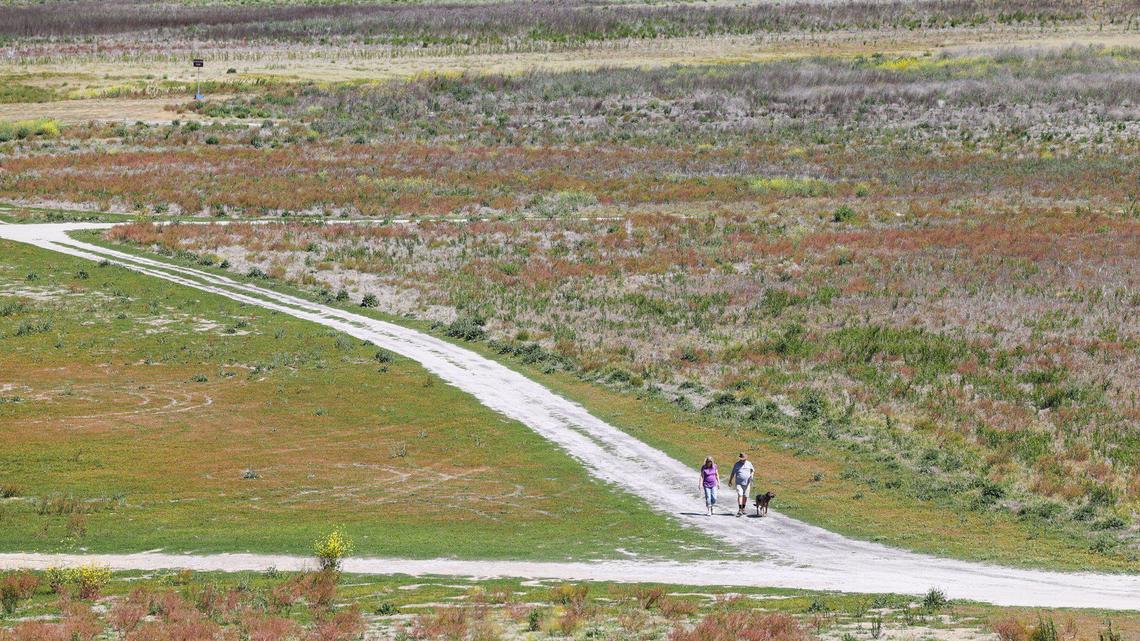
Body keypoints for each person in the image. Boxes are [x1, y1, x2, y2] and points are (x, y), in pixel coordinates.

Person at [728, 452, 754, 517]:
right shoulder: (737, 464)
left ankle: (743, 508)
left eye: (744, 459)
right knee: (740, 494)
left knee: (745, 496)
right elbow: (733, 473)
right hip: (739, 483)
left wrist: (751, 476)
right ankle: (740, 509)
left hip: (747, 483)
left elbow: (752, 470)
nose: (743, 460)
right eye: (742, 459)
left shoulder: (749, 463)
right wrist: (730, 481)